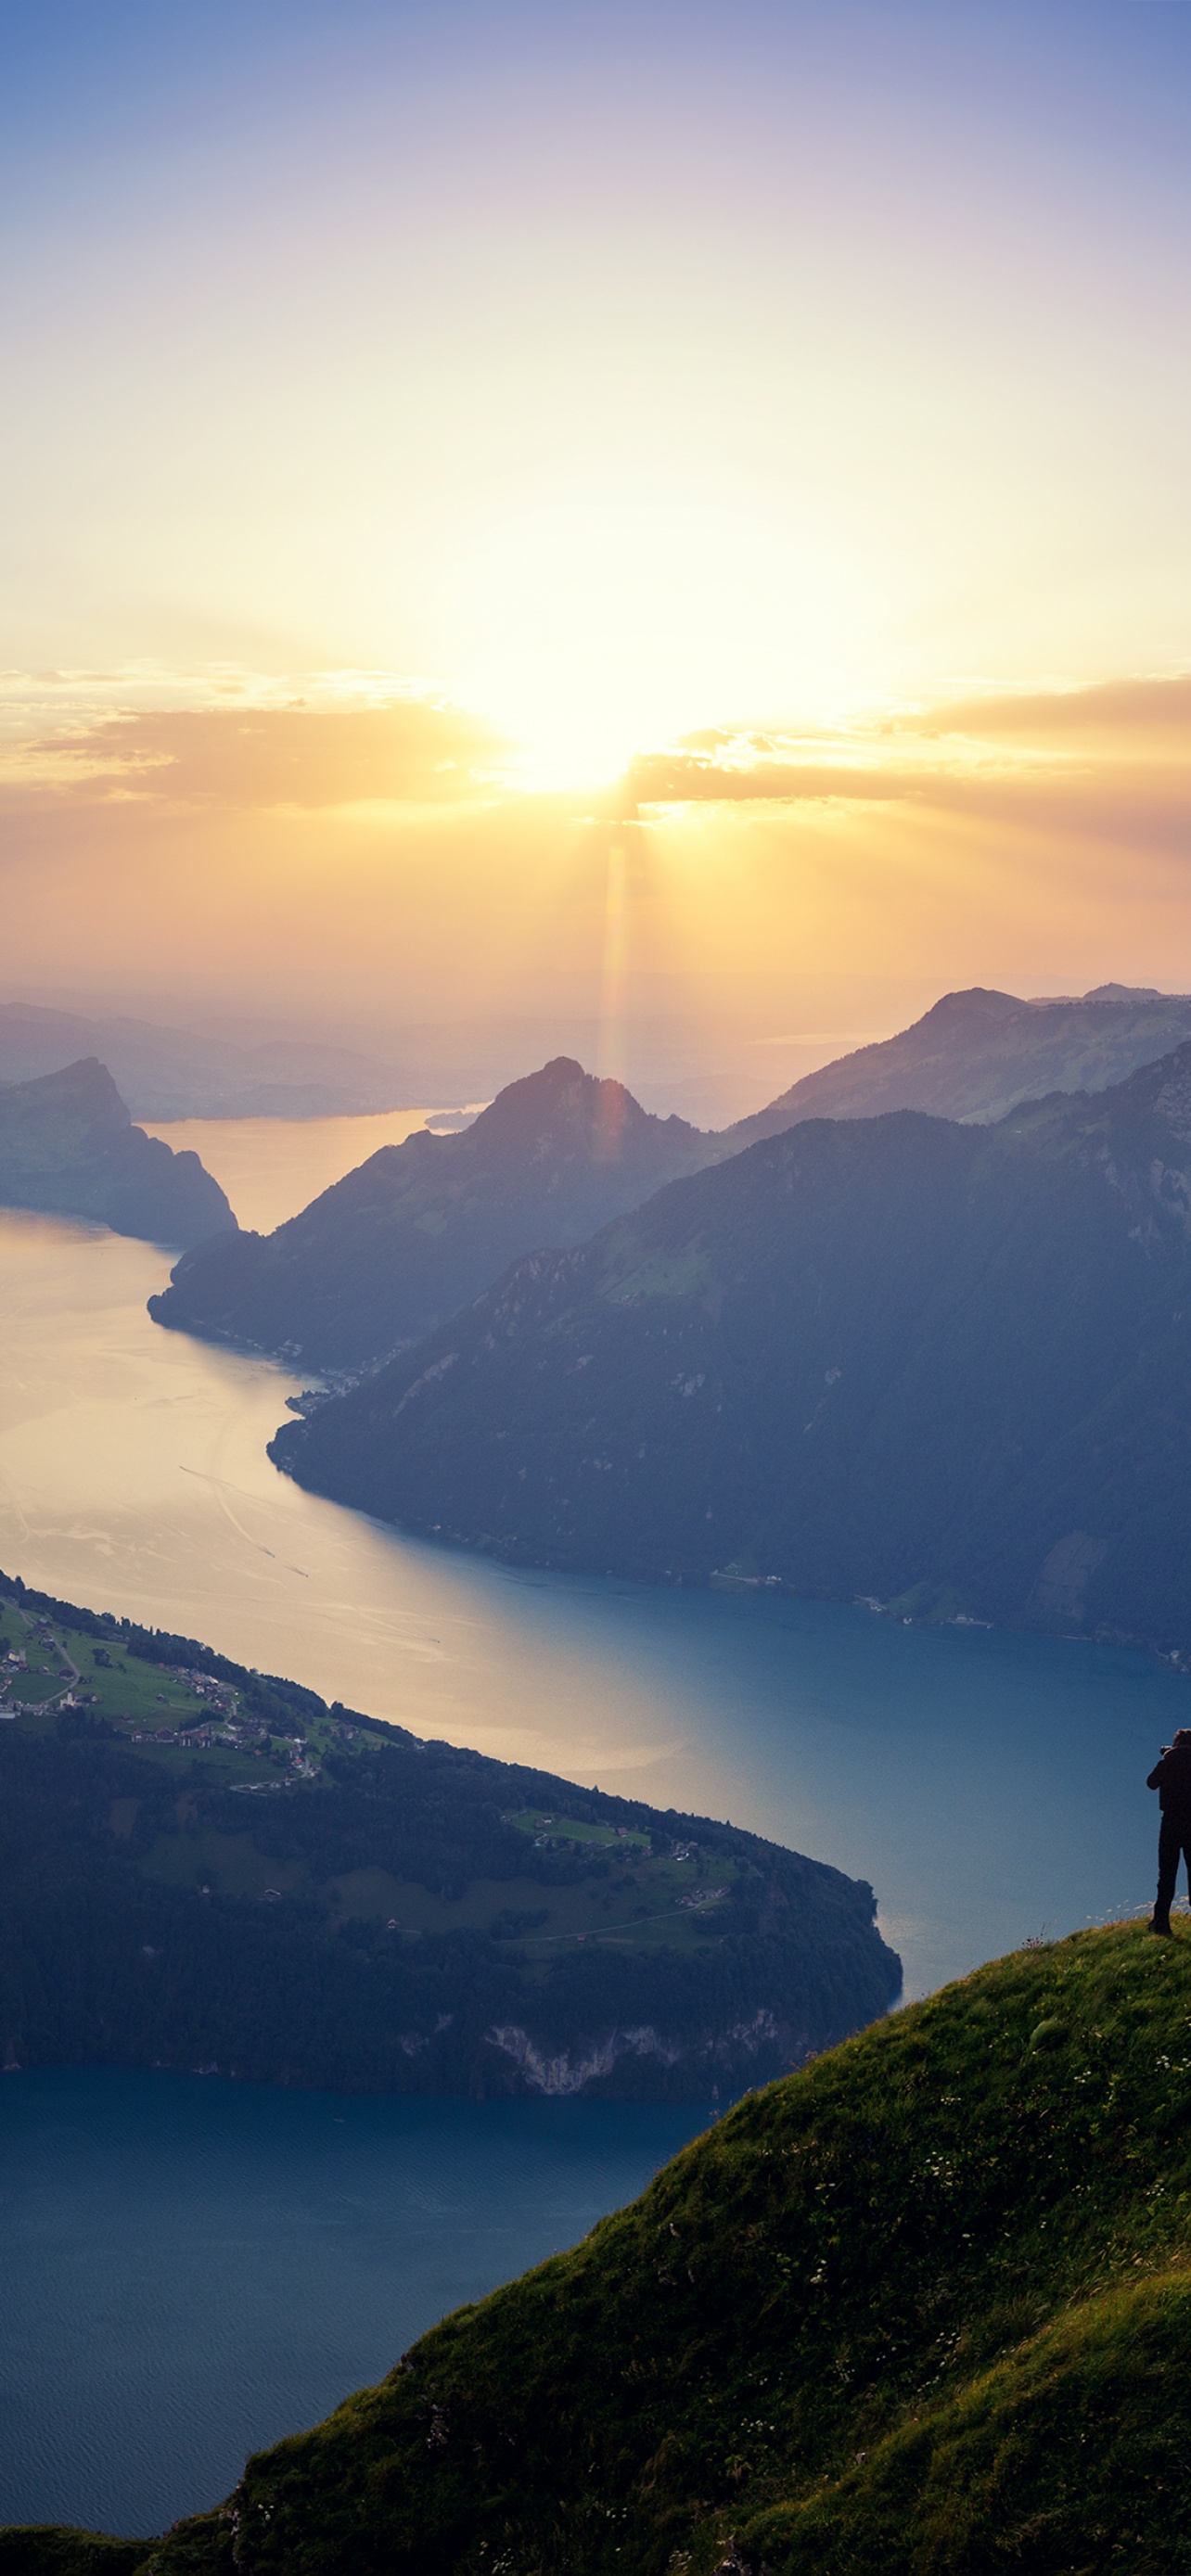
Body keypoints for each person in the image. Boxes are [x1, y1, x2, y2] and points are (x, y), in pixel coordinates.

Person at [1146, 1728, 1191, 1932]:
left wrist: (1168, 1758)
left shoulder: (1167, 1761)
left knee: (1167, 1873)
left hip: (1171, 1821)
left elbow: (1151, 1783)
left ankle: (1161, 1921)